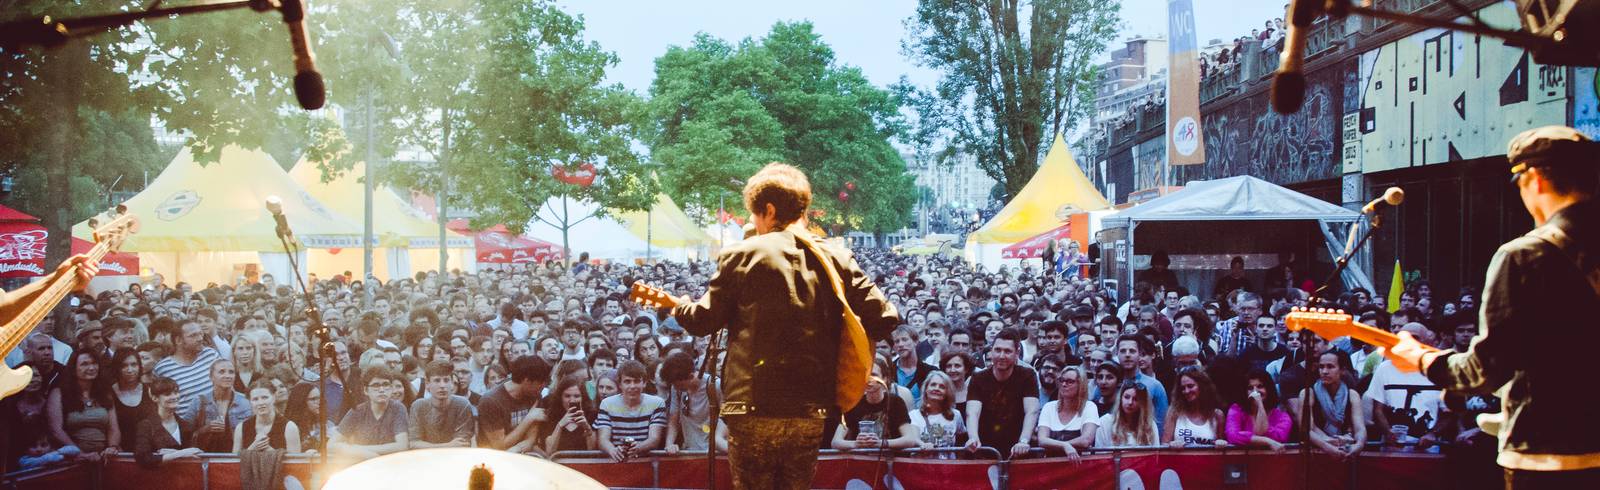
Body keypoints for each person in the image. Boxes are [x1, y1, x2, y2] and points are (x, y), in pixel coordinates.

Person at [667, 163, 900, 489]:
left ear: (770, 209)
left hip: (752, 405)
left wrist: (678, 306)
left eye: (755, 216)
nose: (754, 224)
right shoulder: (835, 258)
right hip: (811, 409)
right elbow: (885, 317)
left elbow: (703, 320)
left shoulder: (742, 253)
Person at [1390, 126, 1600, 488]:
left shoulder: (1524, 255)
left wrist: (1422, 358)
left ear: (1533, 179)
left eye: (1516, 182)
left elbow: (1485, 371)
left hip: (1550, 457)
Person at [962, 327, 1040, 459]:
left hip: (1018, 448)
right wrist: (973, 438)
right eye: (997, 350)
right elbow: (972, 412)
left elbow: (1031, 411)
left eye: (1008, 351)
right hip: (986, 448)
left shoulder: (1027, 375)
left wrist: (1024, 440)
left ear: (1017, 353)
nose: (1001, 356)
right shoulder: (978, 378)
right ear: (991, 351)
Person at [831, 356, 919, 451]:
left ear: (885, 379)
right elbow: (836, 442)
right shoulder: (854, 403)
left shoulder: (896, 402)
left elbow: (910, 439)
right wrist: (857, 444)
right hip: (862, 460)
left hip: (889, 460)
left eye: (874, 375)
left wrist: (880, 443)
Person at [46, 350, 120, 461]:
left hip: (103, 457)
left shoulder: (105, 393)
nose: (91, 368)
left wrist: (112, 447)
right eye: (84, 364)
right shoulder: (59, 393)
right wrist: (80, 454)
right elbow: (56, 430)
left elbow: (113, 427)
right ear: (73, 369)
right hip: (73, 459)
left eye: (94, 363)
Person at [330, 367, 409, 460]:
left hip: (391, 463)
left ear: (391, 388)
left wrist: (362, 449)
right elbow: (331, 445)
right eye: (376, 385)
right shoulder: (357, 411)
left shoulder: (397, 408)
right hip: (363, 464)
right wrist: (363, 453)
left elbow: (402, 445)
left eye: (386, 384)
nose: (382, 389)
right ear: (366, 390)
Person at [1299, 349, 1365, 461]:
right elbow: (1305, 429)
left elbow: (1360, 429)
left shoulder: (1352, 395)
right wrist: (1327, 447)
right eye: (1321, 367)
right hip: (1316, 455)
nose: (1324, 371)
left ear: (1342, 370)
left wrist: (1359, 445)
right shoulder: (1307, 393)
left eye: (1330, 367)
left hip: (1345, 452)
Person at [477, 355, 551, 453]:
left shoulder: (534, 395)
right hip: (494, 459)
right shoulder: (490, 401)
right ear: (527, 381)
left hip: (522, 454)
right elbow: (500, 446)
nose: (544, 386)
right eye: (541, 382)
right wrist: (529, 418)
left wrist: (517, 449)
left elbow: (531, 440)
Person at [596, 360, 667, 461]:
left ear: (644, 383)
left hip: (646, 462)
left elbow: (654, 438)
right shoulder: (607, 404)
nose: (632, 386)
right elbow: (603, 439)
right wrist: (613, 450)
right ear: (620, 384)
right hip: (616, 461)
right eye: (627, 381)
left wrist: (638, 447)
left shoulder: (656, 403)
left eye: (637, 381)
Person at [151, 318, 221, 414]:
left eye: (201, 333)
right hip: (185, 427)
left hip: (217, 422)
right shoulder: (163, 369)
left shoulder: (211, 355)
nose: (200, 338)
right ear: (178, 340)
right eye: (193, 335)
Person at [181, 359, 251, 453]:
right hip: (206, 458)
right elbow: (184, 434)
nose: (227, 376)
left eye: (231, 372)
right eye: (222, 372)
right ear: (211, 377)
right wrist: (205, 429)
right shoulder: (199, 401)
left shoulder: (246, 402)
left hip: (236, 458)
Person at [133, 377, 202, 468]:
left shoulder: (186, 425)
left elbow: (195, 452)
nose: (174, 397)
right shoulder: (146, 425)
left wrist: (176, 453)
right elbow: (143, 458)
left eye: (176, 392)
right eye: (167, 394)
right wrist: (179, 454)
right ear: (154, 398)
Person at [1036, 364, 1098, 463]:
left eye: (1070, 381)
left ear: (1080, 385)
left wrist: (1057, 446)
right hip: (1051, 465)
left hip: (1080, 465)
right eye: (1061, 380)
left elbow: (1086, 440)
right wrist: (1064, 446)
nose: (1064, 384)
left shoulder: (1089, 407)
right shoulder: (1049, 407)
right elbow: (1042, 439)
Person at [659, 352, 718, 453]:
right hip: (689, 450)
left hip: (713, 450)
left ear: (691, 376)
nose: (676, 388)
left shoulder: (714, 386)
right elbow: (674, 419)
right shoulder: (676, 388)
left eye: (679, 386)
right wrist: (669, 444)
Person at [408, 361, 475, 449]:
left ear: (451, 383)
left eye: (446, 380)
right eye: (437, 380)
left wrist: (428, 446)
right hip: (427, 458)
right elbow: (413, 444)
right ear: (427, 384)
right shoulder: (418, 406)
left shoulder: (462, 404)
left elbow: (462, 444)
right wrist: (447, 445)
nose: (442, 385)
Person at [1162, 366, 1227, 448]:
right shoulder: (1174, 413)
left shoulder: (1217, 415)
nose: (1186, 391)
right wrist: (1171, 445)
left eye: (1190, 386)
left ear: (1202, 386)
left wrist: (1220, 443)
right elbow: (1164, 445)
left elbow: (1221, 447)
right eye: (1183, 388)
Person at [232, 379, 302, 453]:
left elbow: (294, 462)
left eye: (265, 397)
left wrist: (268, 449)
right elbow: (234, 462)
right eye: (255, 399)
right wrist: (253, 448)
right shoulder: (241, 428)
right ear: (250, 401)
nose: (261, 403)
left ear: (274, 397)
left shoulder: (290, 427)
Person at [909, 371, 964, 455]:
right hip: (921, 465)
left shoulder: (956, 415)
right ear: (926, 389)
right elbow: (914, 437)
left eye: (942, 387)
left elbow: (961, 440)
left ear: (947, 392)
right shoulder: (914, 415)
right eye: (933, 385)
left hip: (948, 466)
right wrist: (923, 445)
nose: (937, 388)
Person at [540, 374, 598, 454]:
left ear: (583, 397)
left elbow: (592, 450)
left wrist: (587, 428)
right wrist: (560, 425)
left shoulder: (591, 414)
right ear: (560, 397)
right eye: (567, 396)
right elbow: (549, 451)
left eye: (576, 396)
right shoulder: (551, 415)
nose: (572, 400)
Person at [109, 348, 154, 449]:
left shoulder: (150, 390)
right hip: (121, 451)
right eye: (124, 366)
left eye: (134, 365)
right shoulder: (109, 393)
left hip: (149, 449)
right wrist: (114, 446)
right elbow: (111, 428)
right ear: (117, 368)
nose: (130, 370)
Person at [1094, 381, 1158, 448]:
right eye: (1126, 397)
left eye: (1135, 399)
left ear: (1142, 404)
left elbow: (1156, 455)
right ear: (1120, 399)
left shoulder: (1150, 426)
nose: (1130, 402)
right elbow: (1100, 455)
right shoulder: (1105, 422)